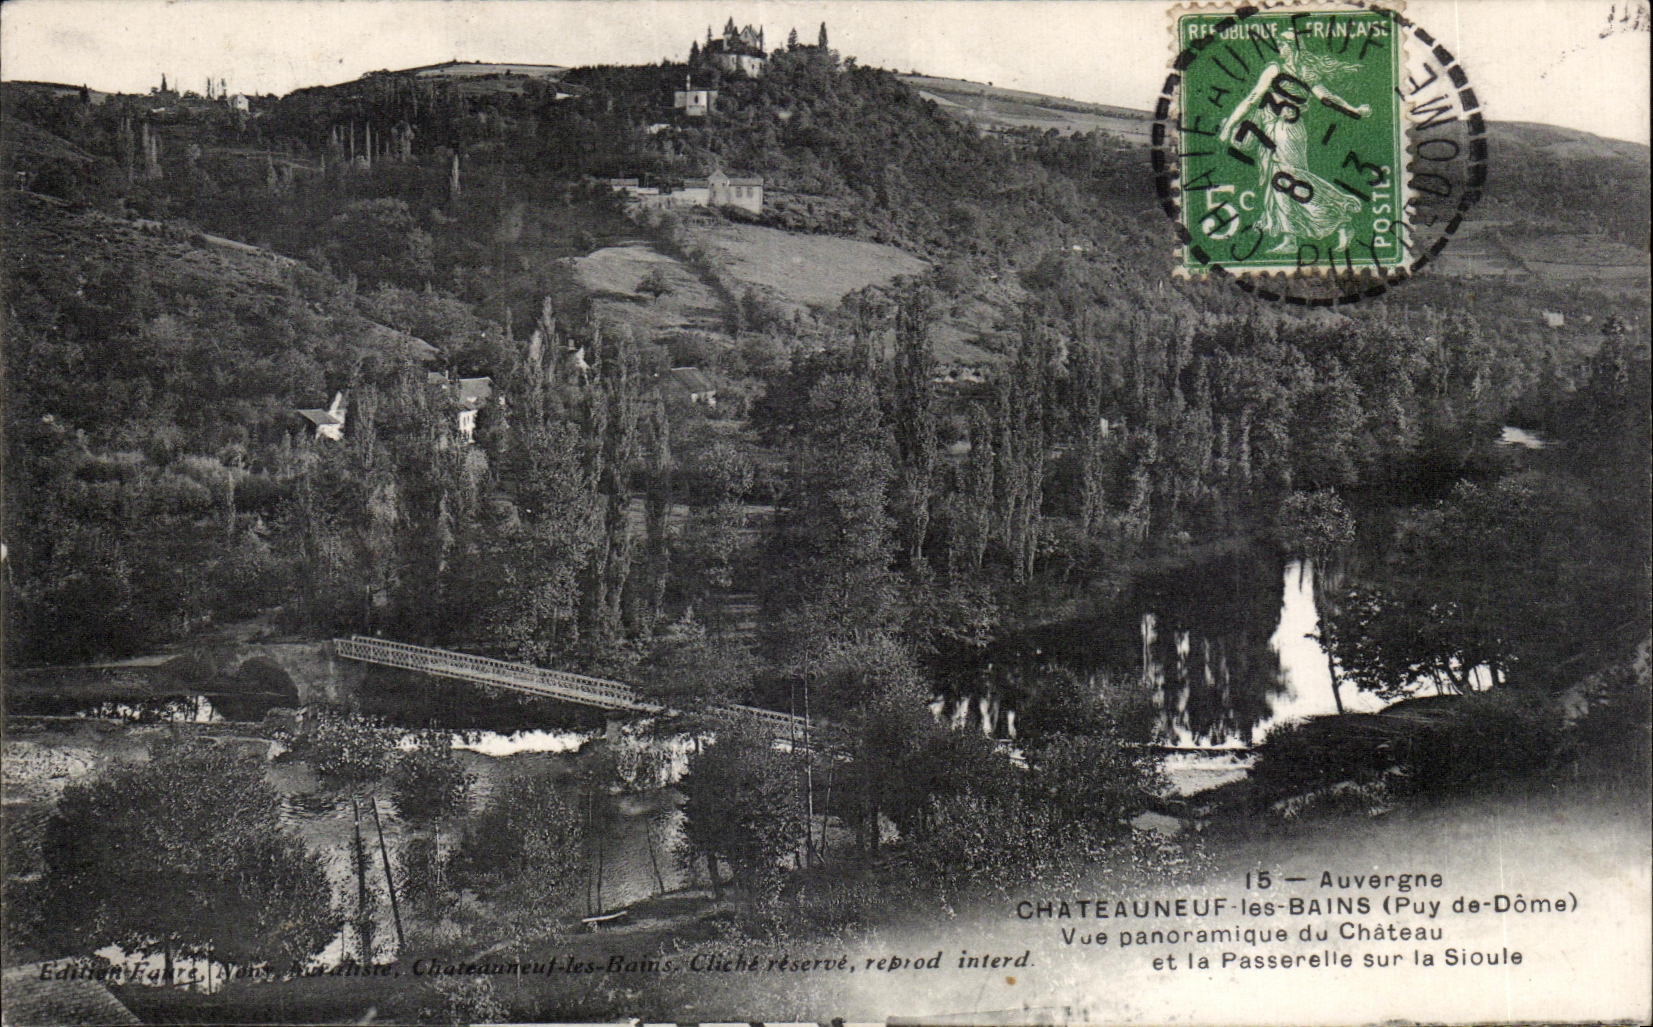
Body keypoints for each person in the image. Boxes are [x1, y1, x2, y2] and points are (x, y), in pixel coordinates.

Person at [1218, 28, 1372, 253]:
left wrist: (1353, 109)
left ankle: (1340, 216)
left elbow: (1326, 98)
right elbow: (1253, 99)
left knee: (1290, 179)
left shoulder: (1300, 71)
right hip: (1273, 131)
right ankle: (1291, 238)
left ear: (1293, 48)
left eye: (1284, 44)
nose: (1280, 48)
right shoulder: (1277, 69)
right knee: (1280, 183)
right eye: (1280, 44)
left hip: (1288, 132)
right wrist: (1230, 125)